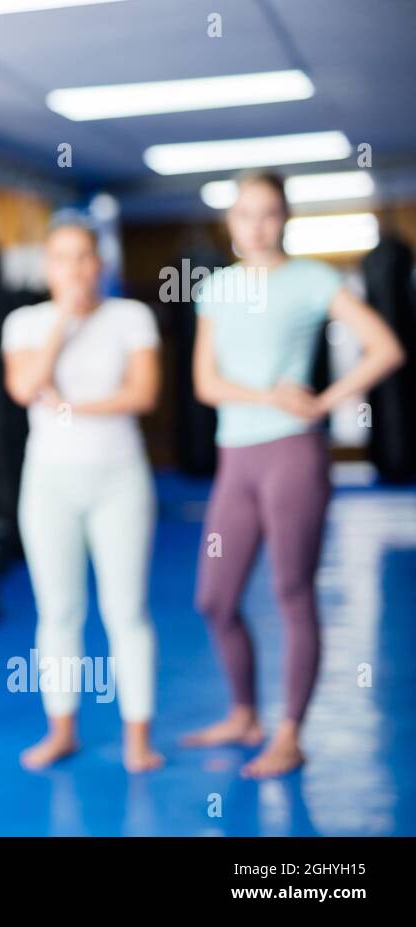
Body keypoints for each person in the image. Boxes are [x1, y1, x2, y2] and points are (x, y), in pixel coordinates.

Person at [184, 170, 405, 778]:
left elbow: (386, 347)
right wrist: (268, 394)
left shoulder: (312, 279)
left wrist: (326, 399)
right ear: (230, 225)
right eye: (244, 213)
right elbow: (205, 384)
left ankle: (289, 734)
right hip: (237, 455)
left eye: (268, 212)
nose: (256, 225)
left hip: (293, 455)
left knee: (291, 590)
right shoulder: (216, 289)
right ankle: (244, 714)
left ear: (285, 219)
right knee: (214, 598)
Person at [3, 219, 164, 773]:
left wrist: (69, 406)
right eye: (63, 259)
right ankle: (62, 731)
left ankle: (138, 738)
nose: (75, 269)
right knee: (59, 611)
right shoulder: (24, 323)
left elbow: (143, 394)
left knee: (127, 611)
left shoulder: (131, 317)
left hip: (119, 477)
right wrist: (63, 324)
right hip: (49, 482)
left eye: (85, 257)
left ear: (101, 263)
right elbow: (25, 388)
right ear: (47, 268)